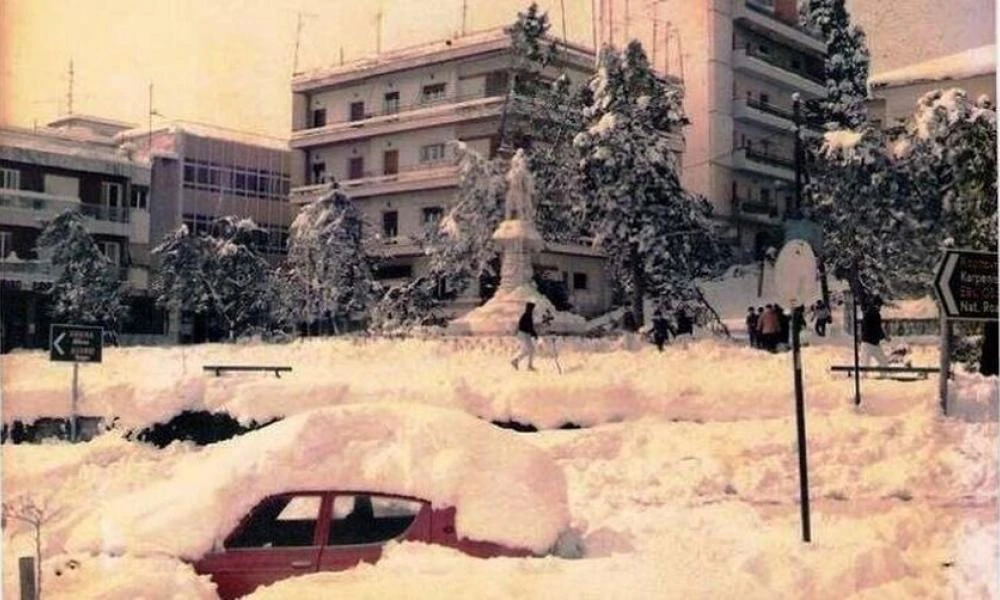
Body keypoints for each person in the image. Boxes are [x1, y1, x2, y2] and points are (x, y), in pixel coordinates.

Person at [860, 295, 890, 370]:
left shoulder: (867, 313)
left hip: (865, 342)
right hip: (873, 343)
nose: (880, 308)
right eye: (880, 306)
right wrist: (884, 337)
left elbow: (865, 328)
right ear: (877, 305)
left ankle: (864, 379)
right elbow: (877, 328)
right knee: (884, 362)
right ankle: (884, 377)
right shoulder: (876, 314)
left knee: (864, 366)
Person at [511, 302, 538, 371]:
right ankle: (529, 366)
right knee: (531, 350)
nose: (532, 310)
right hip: (524, 334)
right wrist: (534, 334)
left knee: (526, 351)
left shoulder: (526, 315)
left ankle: (515, 361)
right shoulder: (527, 315)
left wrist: (533, 333)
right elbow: (529, 327)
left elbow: (529, 327)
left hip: (523, 334)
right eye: (532, 308)